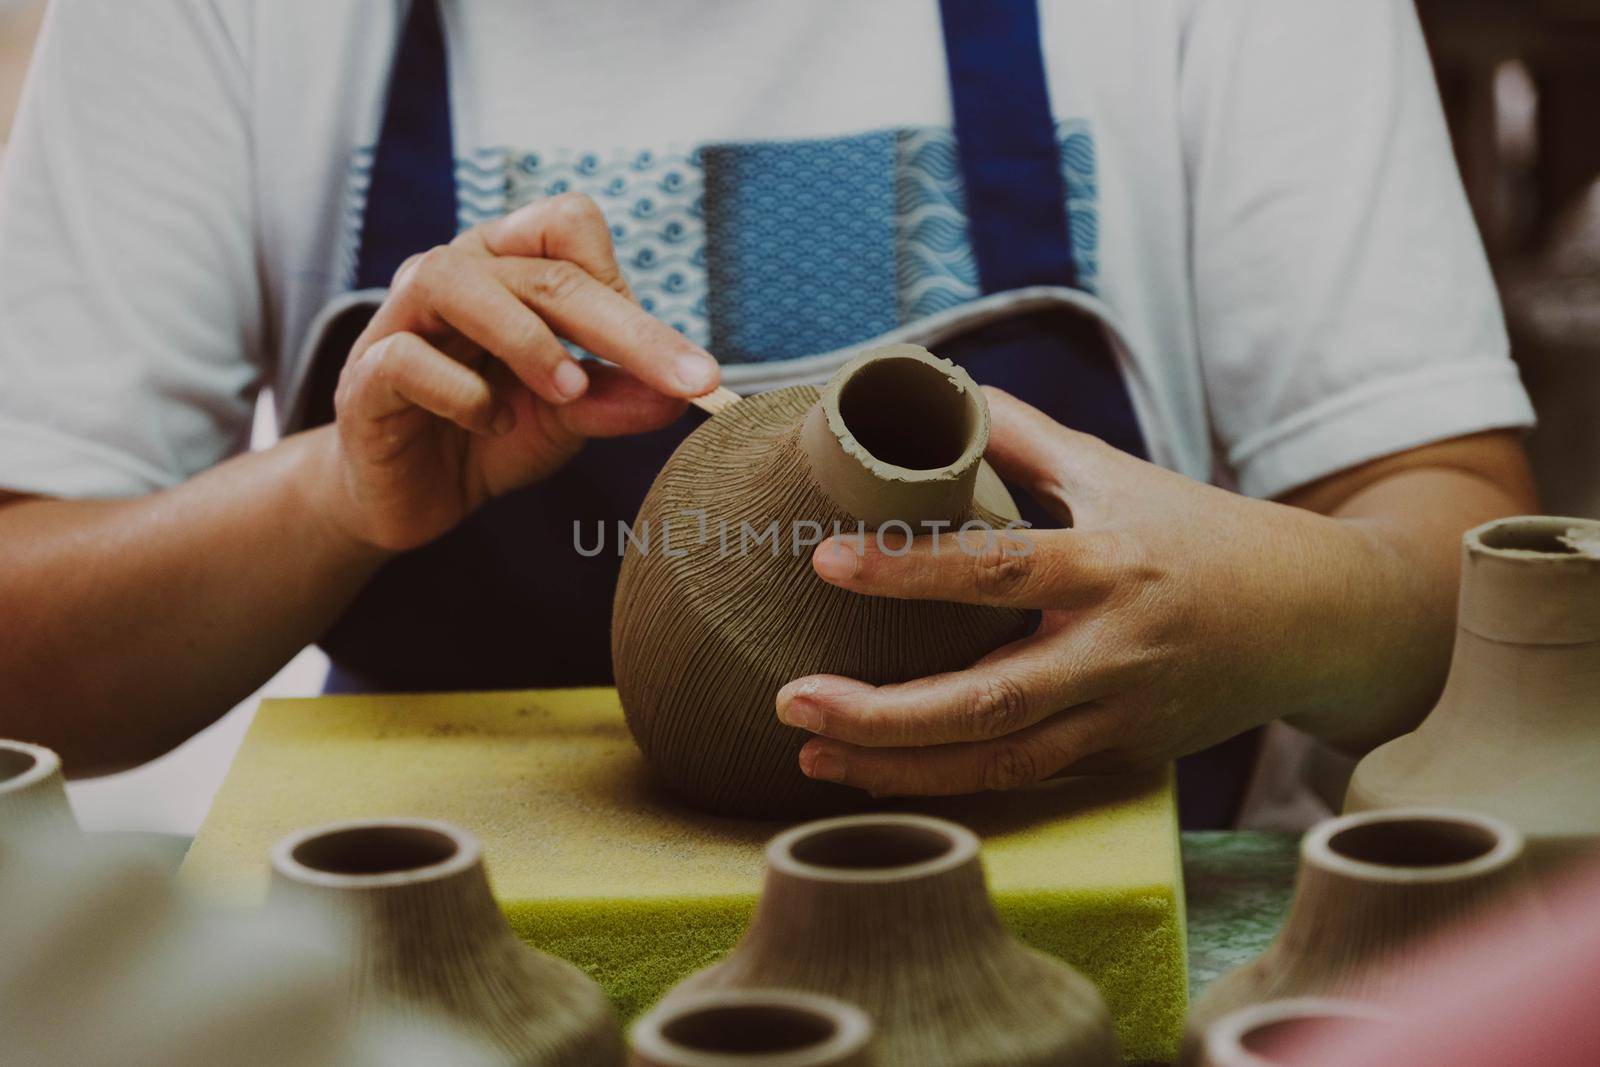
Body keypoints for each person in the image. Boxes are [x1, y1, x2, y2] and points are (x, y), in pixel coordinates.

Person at [0, 0, 1536, 827]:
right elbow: (27, 678)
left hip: (1099, 949)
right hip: (427, 971)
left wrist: (1279, 610)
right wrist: (332, 492)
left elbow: (1462, 555)